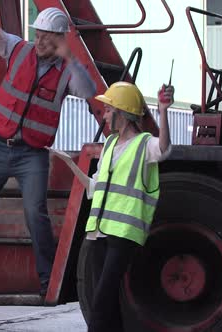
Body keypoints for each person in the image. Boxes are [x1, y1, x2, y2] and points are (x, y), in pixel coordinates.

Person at [0, 7, 97, 300]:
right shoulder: (17, 47)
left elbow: (87, 88)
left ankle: (48, 286)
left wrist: (69, 56)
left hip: (33, 155)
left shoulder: (66, 70)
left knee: (35, 214)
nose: (40, 43)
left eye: (47, 39)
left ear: (60, 40)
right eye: (38, 35)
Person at [51, 82, 174, 332]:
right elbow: (97, 184)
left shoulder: (144, 143)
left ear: (122, 113)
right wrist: (72, 167)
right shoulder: (109, 144)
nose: (104, 115)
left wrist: (163, 110)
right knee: (105, 300)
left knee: (101, 299)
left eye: (108, 110)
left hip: (123, 233)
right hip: (98, 232)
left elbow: (163, 149)